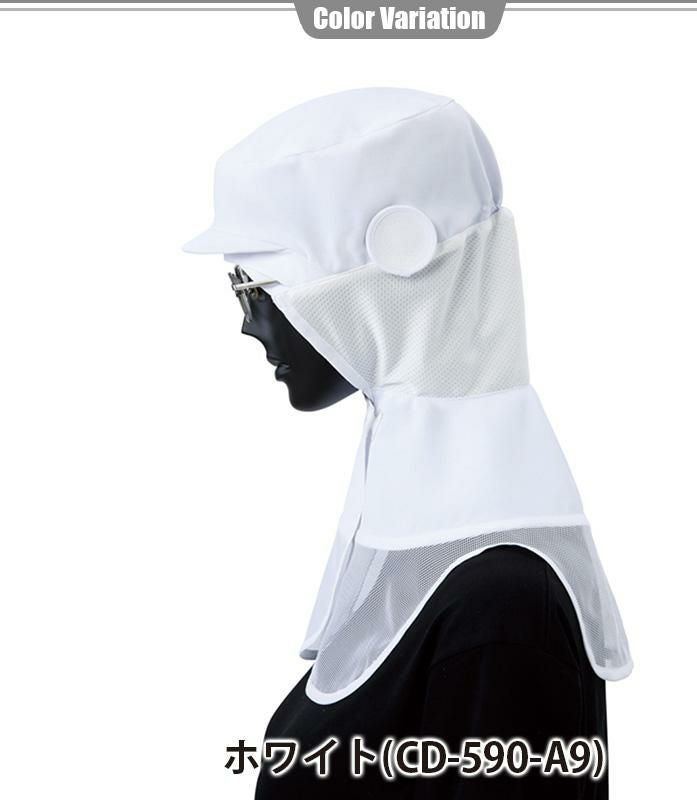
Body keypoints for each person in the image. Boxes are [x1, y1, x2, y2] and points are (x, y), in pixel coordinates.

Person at [184, 87, 632, 798]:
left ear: (386, 270)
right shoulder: (422, 558)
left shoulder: (503, 611)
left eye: (255, 286)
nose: (247, 323)